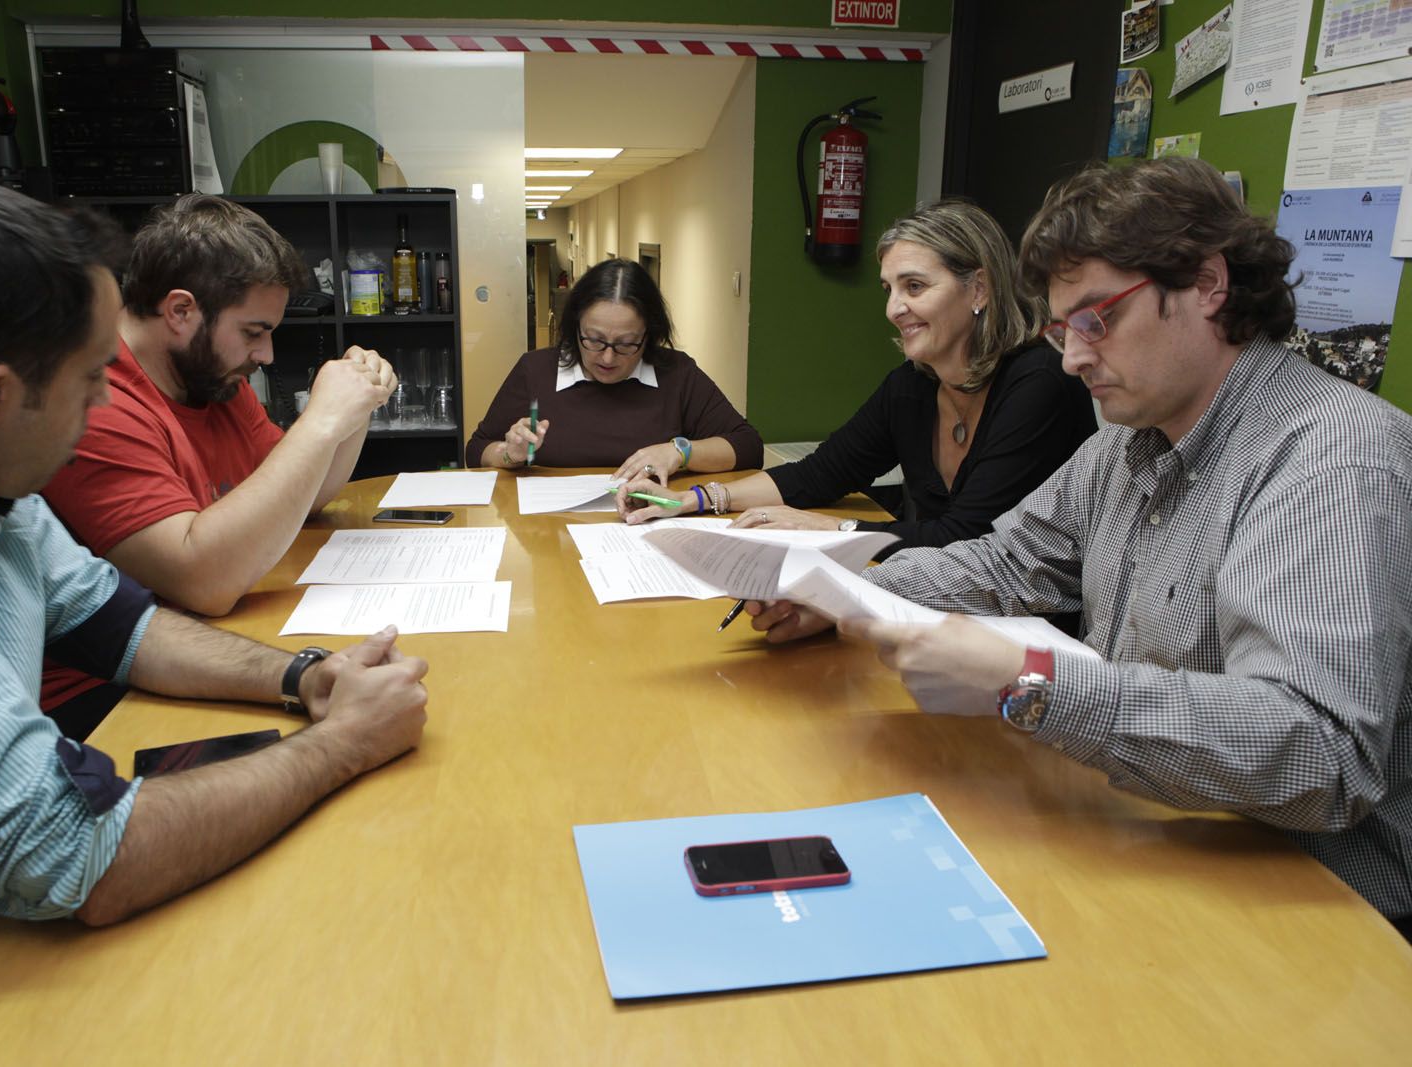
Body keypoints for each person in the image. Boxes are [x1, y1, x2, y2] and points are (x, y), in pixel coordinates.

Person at [0, 181, 430, 1065]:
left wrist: (300, 677)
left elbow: (118, 624)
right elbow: (72, 854)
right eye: (92, 380)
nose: (108, 406)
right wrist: (342, 745)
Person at [750, 158, 1412, 934]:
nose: (1071, 358)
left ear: (1207, 284)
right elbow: (1002, 562)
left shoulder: (1332, 457)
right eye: (1063, 329)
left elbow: (1322, 756)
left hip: (1310, 897)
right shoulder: (1126, 443)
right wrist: (840, 585)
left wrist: (1032, 682)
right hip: (1157, 825)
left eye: (1097, 319)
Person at [39, 194, 395, 738]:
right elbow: (203, 581)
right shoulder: (96, 398)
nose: (266, 355)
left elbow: (304, 496)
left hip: (201, 646)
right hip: (104, 700)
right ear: (181, 312)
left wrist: (357, 406)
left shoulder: (210, 376)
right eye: (253, 332)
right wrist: (321, 422)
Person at [617, 200, 1095, 554]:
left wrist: (828, 529)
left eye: (915, 286)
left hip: (1029, 631)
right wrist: (694, 501)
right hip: (941, 599)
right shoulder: (912, 386)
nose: (893, 308)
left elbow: (968, 538)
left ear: (980, 287)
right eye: (889, 289)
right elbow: (822, 472)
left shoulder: (1039, 384)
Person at [465, 257, 763, 481]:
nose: (607, 358)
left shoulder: (677, 373)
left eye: (626, 344)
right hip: (552, 534)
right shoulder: (536, 370)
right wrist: (510, 454)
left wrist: (679, 452)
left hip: (644, 531)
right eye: (594, 340)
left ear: (650, 334)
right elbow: (476, 450)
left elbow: (748, 447)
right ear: (575, 326)